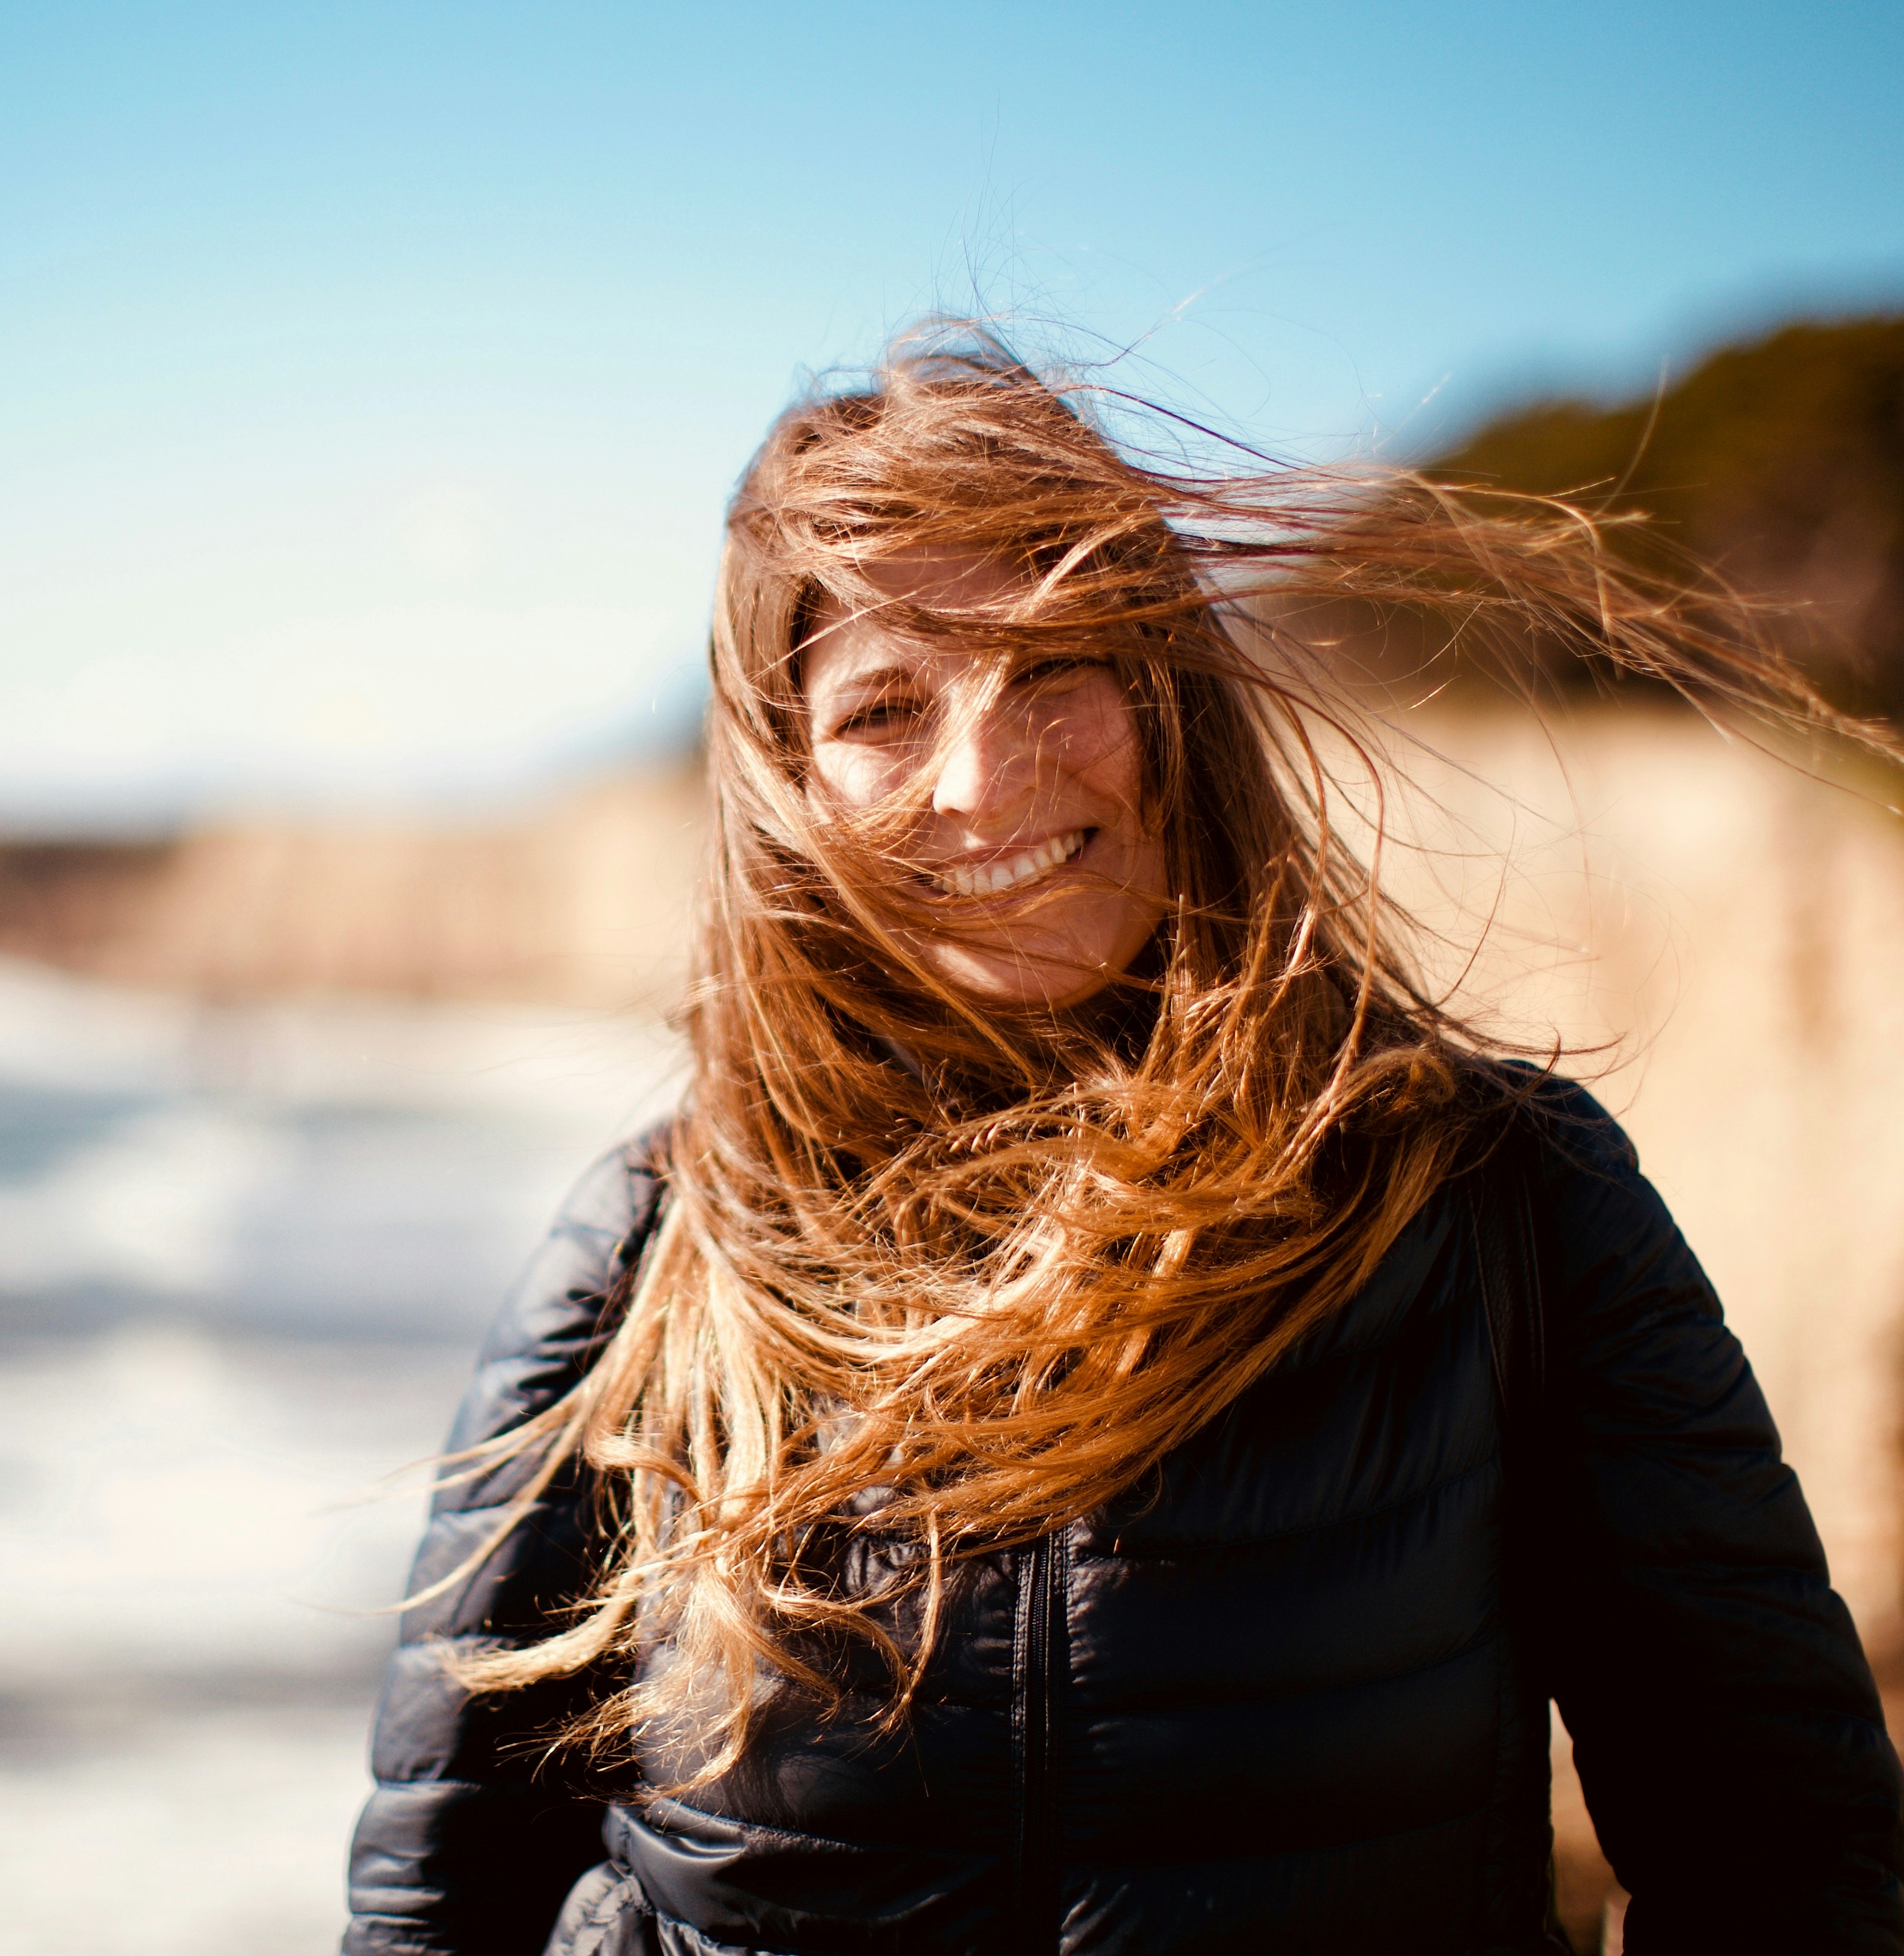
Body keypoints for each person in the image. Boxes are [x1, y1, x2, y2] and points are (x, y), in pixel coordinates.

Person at [339, 334, 1904, 1955]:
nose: (981, 779)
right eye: (885, 707)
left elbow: (1783, 1856)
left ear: (1165, 689)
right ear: (791, 782)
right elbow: (442, 1903)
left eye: (1049, 667)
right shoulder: (660, 1251)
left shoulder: (1495, 1199)